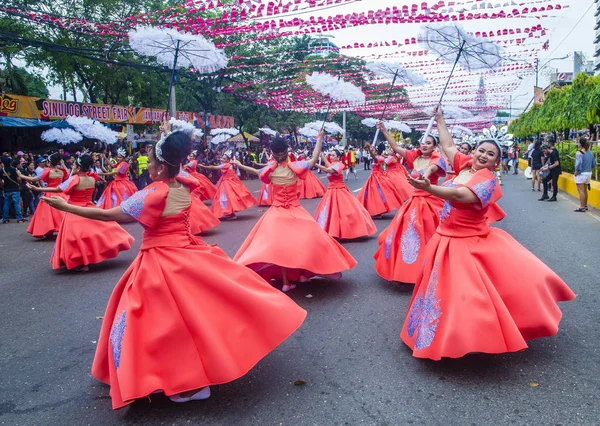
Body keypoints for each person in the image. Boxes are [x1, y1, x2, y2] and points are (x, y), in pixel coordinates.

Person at [40, 124, 307, 409]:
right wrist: (166, 135)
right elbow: (173, 171)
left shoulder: (154, 194)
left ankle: (183, 381)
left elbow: (108, 215)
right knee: (194, 316)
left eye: (151, 162)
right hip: (187, 253)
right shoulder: (184, 184)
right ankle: (184, 375)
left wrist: (65, 207)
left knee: (158, 322)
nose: (148, 167)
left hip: (161, 260)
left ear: (158, 167)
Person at [399, 108, 575, 360]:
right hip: (443, 238)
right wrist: (440, 120)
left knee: (464, 294)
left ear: (496, 162)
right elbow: (448, 145)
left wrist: (432, 189)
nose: (483, 155)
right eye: (481, 150)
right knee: (438, 291)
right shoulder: (465, 165)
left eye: (490, 154)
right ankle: (438, 333)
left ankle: (466, 336)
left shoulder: (488, 182)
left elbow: (462, 196)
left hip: (466, 243)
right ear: (474, 152)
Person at [232, 132, 357, 292]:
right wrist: (318, 138)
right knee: (302, 243)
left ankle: (286, 282)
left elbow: (252, 171)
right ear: (287, 151)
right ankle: (302, 274)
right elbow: (313, 158)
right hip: (295, 211)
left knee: (281, 249)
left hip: (276, 214)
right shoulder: (295, 168)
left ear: (273, 153)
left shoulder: (270, 171)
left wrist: (237, 163)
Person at [28, 155, 133, 271]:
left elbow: (58, 189)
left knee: (74, 238)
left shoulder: (75, 179)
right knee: (91, 234)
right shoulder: (92, 178)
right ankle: (87, 258)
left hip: (74, 210)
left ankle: (79, 262)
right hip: (90, 208)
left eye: (74, 165)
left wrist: (38, 189)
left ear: (78, 167)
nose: (72, 166)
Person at [373, 122, 446, 284]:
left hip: (431, 200)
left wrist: (424, 176)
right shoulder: (414, 156)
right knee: (404, 234)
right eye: (422, 142)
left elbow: (433, 169)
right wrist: (384, 130)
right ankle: (405, 269)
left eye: (429, 142)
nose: (425, 145)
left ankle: (432, 270)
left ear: (434, 146)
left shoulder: (437, 158)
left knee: (430, 234)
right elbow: (396, 147)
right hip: (414, 201)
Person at [313, 149, 377, 240]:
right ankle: (333, 231)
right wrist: (322, 157)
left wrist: (313, 163)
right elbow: (328, 166)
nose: (331, 156)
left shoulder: (340, 165)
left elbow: (327, 169)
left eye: (333, 155)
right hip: (331, 190)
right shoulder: (333, 165)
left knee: (341, 212)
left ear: (338, 157)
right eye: (330, 155)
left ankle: (344, 231)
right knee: (331, 212)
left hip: (339, 190)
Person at [200, 152, 257, 220]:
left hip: (227, 183)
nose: (222, 159)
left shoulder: (226, 165)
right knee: (227, 199)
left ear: (227, 159)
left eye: (224, 158)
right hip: (228, 182)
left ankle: (230, 213)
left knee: (225, 199)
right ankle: (229, 213)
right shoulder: (230, 164)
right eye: (222, 158)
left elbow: (213, 167)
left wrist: (203, 166)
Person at [356, 142, 404, 218]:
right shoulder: (380, 157)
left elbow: (375, 158)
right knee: (377, 194)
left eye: (374, 150)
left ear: (377, 150)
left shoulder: (378, 158)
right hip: (375, 176)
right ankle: (378, 210)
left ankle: (378, 210)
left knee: (376, 194)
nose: (373, 151)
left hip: (377, 177)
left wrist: (369, 149)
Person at [573, 137, 597, 212]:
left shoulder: (579, 153)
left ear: (580, 144)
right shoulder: (590, 153)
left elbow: (578, 164)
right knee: (585, 190)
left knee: (581, 191)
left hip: (581, 174)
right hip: (588, 173)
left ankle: (582, 207)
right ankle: (585, 205)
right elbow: (594, 164)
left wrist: (576, 172)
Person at [1, 157, 24, 224]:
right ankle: (19, 219)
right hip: (15, 189)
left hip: (6, 190)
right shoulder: (14, 169)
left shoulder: (1, 170)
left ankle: (5, 219)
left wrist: (3, 186)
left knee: (6, 204)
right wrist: (18, 184)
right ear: (10, 163)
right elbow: (19, 179)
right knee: (16, 204)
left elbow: (0, 181)